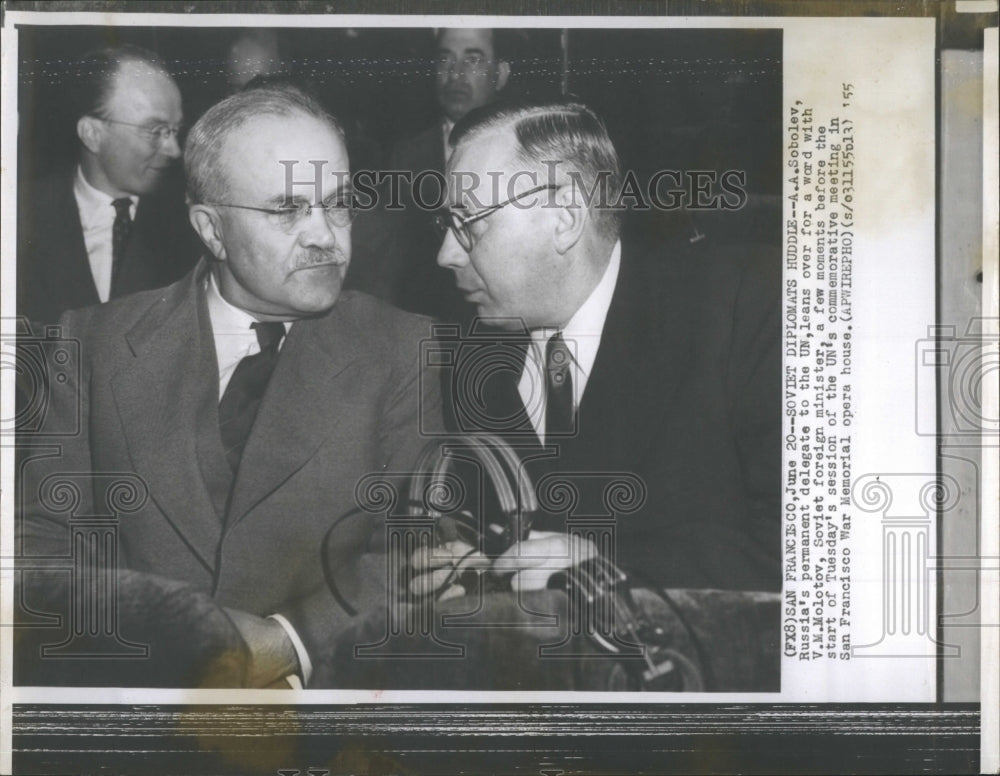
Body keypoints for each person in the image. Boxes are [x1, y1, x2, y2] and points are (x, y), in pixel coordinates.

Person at [16, 84, 442, 688]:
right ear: (211, 230)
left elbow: (420, 553)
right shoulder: (93, 343)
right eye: (288, 209)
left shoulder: (401, 349)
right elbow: (43, 543)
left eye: (339, 203)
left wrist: (289, 641)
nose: (325, 236)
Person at [421, 100, 781, 596]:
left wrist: (607, 570)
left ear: (565, 217)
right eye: (445, 224)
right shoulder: (471, 357)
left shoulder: (744, 308)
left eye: (468, 222)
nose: (446, 254)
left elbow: (810, 550)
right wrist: (470, 567)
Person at [17, 45, 200, 327]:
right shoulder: (19, 216)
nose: (174, 150)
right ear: (92, 133)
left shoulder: (193, 223)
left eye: (175, 130)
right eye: (155, 131)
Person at [385, 28, 512, 321]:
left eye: (472, 60)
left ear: (501, 74)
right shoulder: (406, 157)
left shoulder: (526, 154)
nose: (455, 74)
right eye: (445, 60)